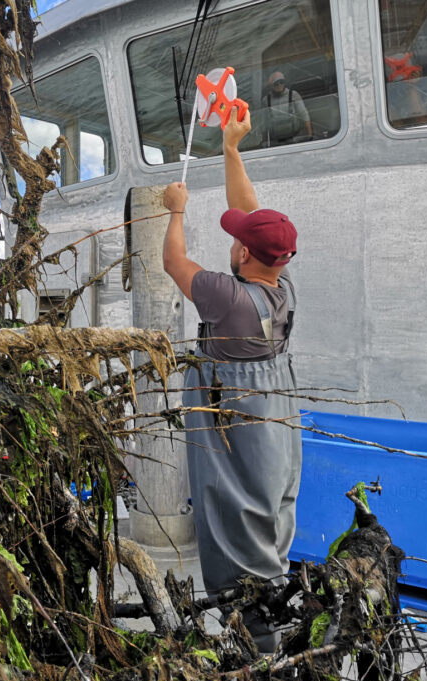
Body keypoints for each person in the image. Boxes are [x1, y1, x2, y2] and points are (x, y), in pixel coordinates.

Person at [161, 106, 301, 653]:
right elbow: (254, 212)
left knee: (232, 511)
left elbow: (175, 263)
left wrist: (175, 211)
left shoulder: (227, 296)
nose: (238, 233)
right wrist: (231, 149)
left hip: (233, 414)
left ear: (244, 252)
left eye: (239, 237)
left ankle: (259, 645)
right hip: (274, 405)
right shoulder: (282, 283)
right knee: (269, 503)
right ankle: (274, 619)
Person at [261, 71, 312, 146]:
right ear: (271, 85)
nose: (279, 85)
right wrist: (264, 141)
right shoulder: (266, 100)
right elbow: (264, 122)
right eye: (276, 83)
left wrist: (310, 134)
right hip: (275, 141)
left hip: (295, 138)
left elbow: (304, 114)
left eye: (281, 82)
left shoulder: (293, 95)